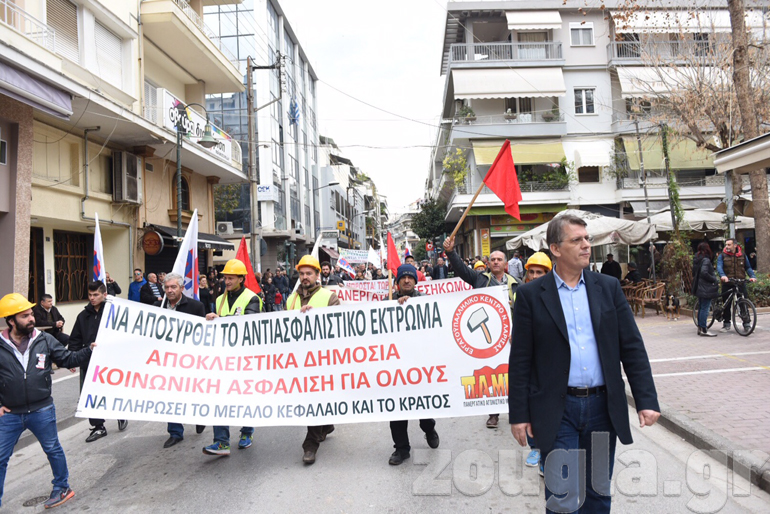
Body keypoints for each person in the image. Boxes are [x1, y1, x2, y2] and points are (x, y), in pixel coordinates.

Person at [508, 214, 660, 514]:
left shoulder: (608, 287)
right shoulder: (530, 296)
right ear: (555, 248)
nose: (586, 245)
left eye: (587, 239)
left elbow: (631, 346)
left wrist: (646, 399)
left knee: (598, 495)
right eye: (576, 240)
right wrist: (519, 414)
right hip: (556, 410)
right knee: (564, 497)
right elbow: (521, 360)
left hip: (602, 410)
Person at [0, 293, 95, 509]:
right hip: (10, 414)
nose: (31, 318)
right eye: (25, 316)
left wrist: (88, 351)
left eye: (31, 313)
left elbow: (66, 358)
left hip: (42, 408)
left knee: (52, 449)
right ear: (11, 320)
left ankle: (62, 487)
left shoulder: (44, 339)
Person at [444, 236, 519, 429]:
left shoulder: (517, 283)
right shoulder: (480, 279)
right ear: (488, 263)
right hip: (489, 340)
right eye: (492, 259)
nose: (495, 262)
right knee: (492, 373)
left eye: (499, 259)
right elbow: (461, 270)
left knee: (515, 374)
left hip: (511, 338)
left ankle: (516, 411)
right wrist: (451, 253)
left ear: (505, 263)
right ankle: (493, 414)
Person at [203, 259, 263, 456]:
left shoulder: (252, 298)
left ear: (241, 278)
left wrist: (222, 321)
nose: (226, 281)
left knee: (245, 396)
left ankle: (247, 432)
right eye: (225, 278)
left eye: (230, 278)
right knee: (218, 397)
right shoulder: (219, 299)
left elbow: (249, 323)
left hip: (245, 357)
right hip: (223, 356)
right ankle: (221, 441)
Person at [287, 255, 341, 465]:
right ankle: (326, 425)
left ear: (318, 275)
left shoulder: (330, 297)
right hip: (298, 360)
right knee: (312, 402)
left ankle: (310, 445)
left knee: (314, 401)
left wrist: (316, 316)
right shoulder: (290, 300)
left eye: (309, 273)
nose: (305, 277)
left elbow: (340, 328)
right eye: (301, 273)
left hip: (323, 360)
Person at [388, 264, 440, 465]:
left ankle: (429, 429)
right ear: (397, 282)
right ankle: (401, 449)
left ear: (415, 282)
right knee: (396, 411)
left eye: (410, 277)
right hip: (395, 369)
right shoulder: (387, 302)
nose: (407, 280)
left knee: (423, 407)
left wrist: (411, 306)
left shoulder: (425, 301)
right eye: (403, 278)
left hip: (420, 366)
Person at [68, 282, 128, 442]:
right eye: (90, 295)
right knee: (90, 395)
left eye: (95, 295)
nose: (92, 298)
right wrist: (72, 359)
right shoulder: (83, 316)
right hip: (89, 362)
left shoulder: (114, 312)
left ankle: (121, 413)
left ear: (104, 294)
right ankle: (98, 426)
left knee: (114, 390)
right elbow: (75, 338)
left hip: (112, 362)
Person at [154, 273, 207, 446]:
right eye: (167, 287)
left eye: (173, 287)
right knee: (170, 394)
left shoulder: (195, 306)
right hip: (166, 359)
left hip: (189, 358)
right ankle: (175, 432)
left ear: (182, 288)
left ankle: (200, 417)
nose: (169, 290)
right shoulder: (157, 307)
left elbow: (202, 334)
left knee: (193, 391)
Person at [520, 251, 553, 471]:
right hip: (531, 360)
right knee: (533, 405)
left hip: (551, 361)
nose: (534, 276)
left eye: (539, 272)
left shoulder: (557, 295)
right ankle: (535, 448)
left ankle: (547, 454)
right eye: (531, 272)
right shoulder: (523, 293)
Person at [716, 238, 757, 333]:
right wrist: (723, 276)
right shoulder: (722, 256)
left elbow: (748, 267)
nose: (727, 246)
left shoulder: (742, 255)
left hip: (740, 282)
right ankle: (726, 324)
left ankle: (747, 324)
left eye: (729, 244)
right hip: (728, 282)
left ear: (735, 245)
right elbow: (719, 267)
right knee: (726, 303)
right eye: (726, 244)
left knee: (743, 303)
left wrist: (752, 276)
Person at [692, 243, 718, 337]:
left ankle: (700, 327)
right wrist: (713, 279)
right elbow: (704, 272)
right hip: (706, 287)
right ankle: (704, 329)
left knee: (701, 307)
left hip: (699, 286)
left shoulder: (697, 259)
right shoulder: (706, 260)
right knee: (705, 308)